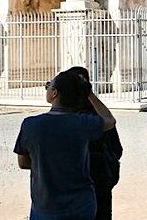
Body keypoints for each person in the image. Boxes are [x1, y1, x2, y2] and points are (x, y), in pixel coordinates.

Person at [14, 70, 117, 220]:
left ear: (54, 93)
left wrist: (46, 163)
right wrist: (90, 94)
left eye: (48, 85)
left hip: (45, 206)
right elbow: (109, 119)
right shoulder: (84, 123)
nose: (47, 88)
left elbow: (23, 163)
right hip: (81, 205)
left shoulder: (30, 125)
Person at [68, 66, 123, 220]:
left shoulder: (63, 120)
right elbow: (117, 149)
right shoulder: (99, 119)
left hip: (71, 189)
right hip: (100, 182)